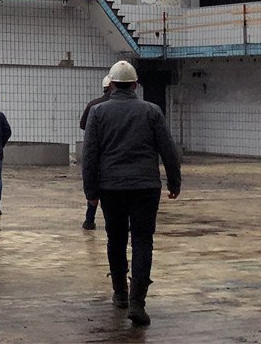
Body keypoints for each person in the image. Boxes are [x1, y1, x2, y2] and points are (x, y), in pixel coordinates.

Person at [81, 60, 181, 328]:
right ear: (135, 85)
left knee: (115, 239)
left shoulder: (98, 113)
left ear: (111, 85)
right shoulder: (152, 111)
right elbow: (168, 150)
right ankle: (138, 302)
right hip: (146, 187)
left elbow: (89, 155)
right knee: (142, 241)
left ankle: (120, 294)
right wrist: (174, 182)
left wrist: (90, 191)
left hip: (111, 188)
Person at [78, 75, 113, 230]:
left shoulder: (94, 105)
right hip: (115, 154)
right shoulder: (128, 106)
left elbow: (83, 124)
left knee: (94, 182)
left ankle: (89, 219)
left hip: (98, 151)